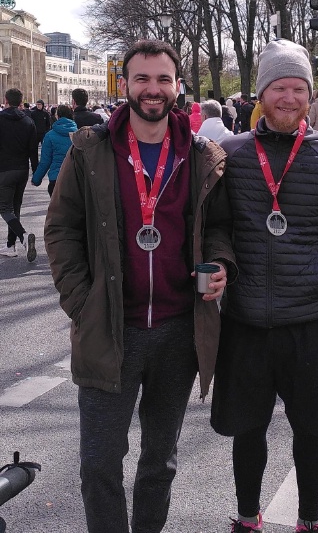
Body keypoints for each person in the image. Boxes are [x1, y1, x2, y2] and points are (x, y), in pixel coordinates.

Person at [44, 39, 236, 533]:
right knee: (99, 464)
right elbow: (61, 227)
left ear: (177, 86)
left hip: (177, 333)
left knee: (160, 461)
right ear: (125, 84)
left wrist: (217, 263)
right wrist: (82, 303)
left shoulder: (199, 155)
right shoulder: (89, 150)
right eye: (142, 79)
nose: (153, 89)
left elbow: (217, 227)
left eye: (163, 79)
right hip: (110, 329)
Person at [210, 39, 318, 533]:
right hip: (245, 322)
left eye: (298, 88)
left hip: (310, 324)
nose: (289, 97)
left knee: (312, 434)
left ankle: (308, 521)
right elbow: (212, 227)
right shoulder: (229, 155)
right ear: (261, 92)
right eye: (279, 87)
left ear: (309, 94)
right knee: (247, 431)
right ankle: (246, 517)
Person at [0, 88, 38, 261]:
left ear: (6, 100)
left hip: (4, 169)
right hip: (22, 169)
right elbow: (33, 150)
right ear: (21, 102)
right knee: (15, 208)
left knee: (5, 208)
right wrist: (35, 171)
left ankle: (22, 236)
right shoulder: (28, 121)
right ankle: (10, 245)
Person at [31, 105, 78, 196]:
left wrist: (36, 179)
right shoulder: (78, 133)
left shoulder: (50, 135)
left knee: (56, 209)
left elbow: (45, 161)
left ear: (58, 116)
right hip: (75, 178)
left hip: (56, 178)